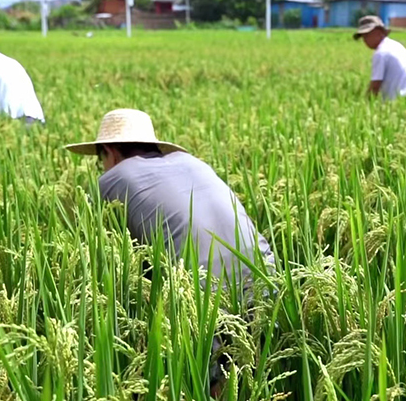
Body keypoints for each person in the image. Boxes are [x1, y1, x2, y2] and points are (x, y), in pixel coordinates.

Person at [64, 108, 275, 396]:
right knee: (247, 370)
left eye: (101, 161)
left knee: (203, 382)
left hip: (201, 295)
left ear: (110, 152)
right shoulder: (192, 162)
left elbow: (93, 255)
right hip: (267, 281)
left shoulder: (111, 181)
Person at [353, 15, 406, 101]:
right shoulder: (395, 45)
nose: (365, 40)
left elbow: (375, 85)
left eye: (367, 35)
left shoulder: (381, 53)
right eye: (363, 37)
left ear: (378, 32)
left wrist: (364, 105)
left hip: (401, 98)